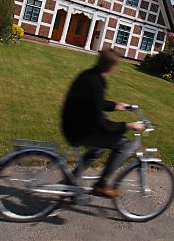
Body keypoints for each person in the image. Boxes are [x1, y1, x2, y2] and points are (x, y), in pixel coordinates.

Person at [61, 48, 145, 198]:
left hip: (73, 124)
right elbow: (101, 123)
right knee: (123, 144)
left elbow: (94, 103)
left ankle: (69, 181)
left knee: (97, 150)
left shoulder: (89, 75)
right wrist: (127, 126)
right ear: (112, 67)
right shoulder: (96, 83)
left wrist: (115, 105)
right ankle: (101, 185)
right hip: (79, 130)